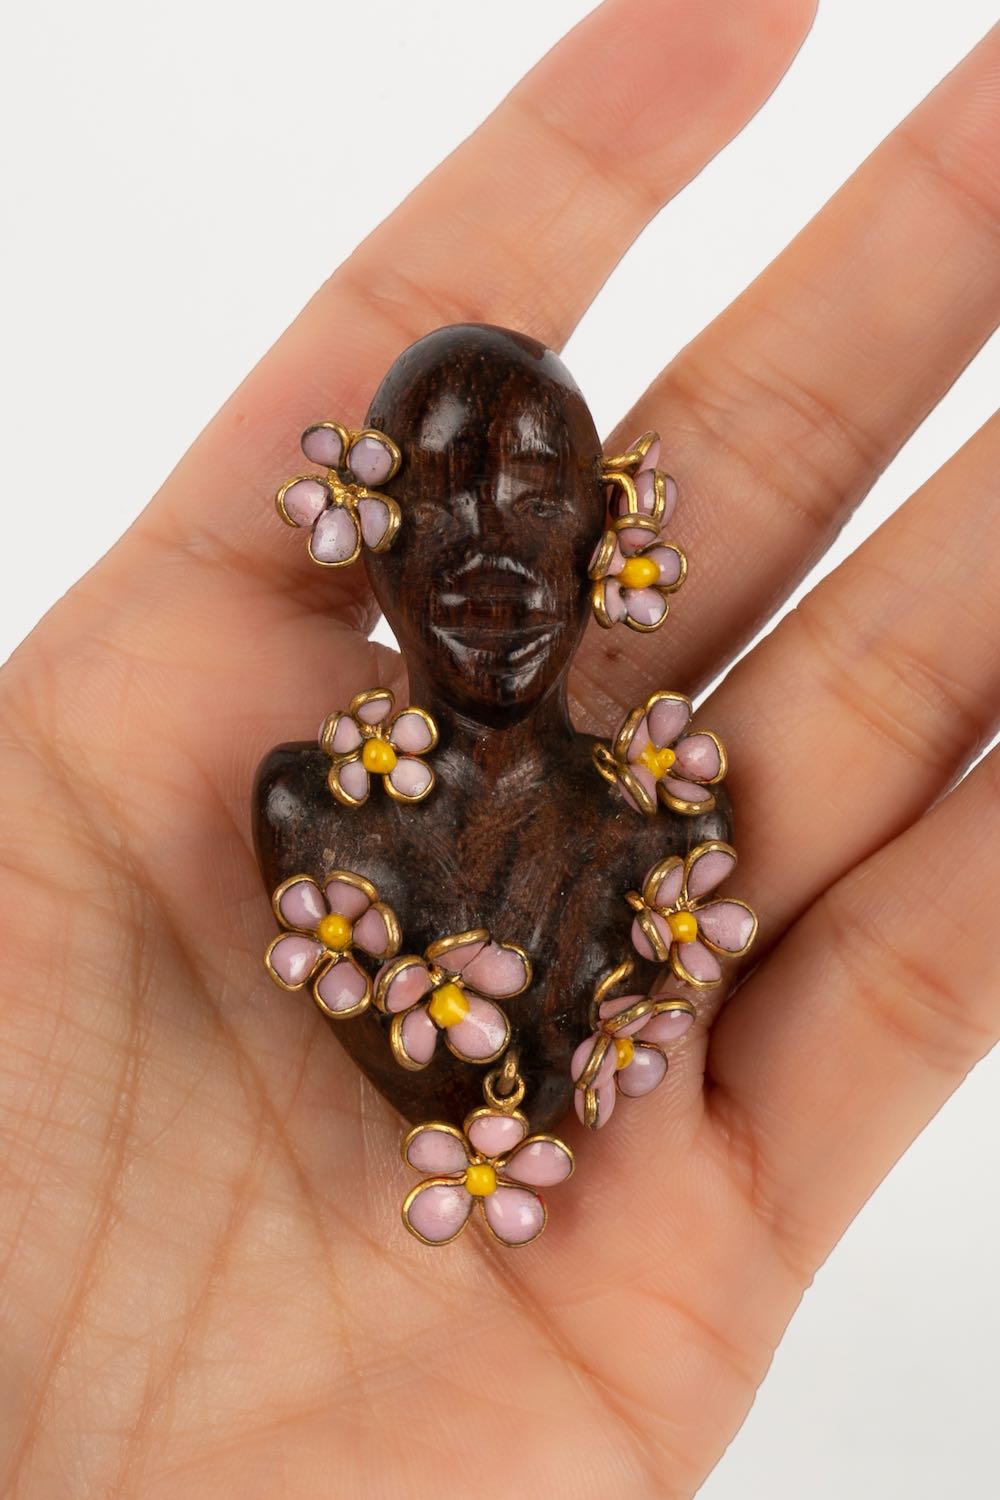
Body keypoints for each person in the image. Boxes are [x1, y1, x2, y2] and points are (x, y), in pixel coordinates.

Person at [0, 2, 997, 1494]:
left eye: (536, 506)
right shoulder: (312, 818)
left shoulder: (667, 846)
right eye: (442, 508)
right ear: (369, 537)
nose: (490, 564)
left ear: (607, 539)